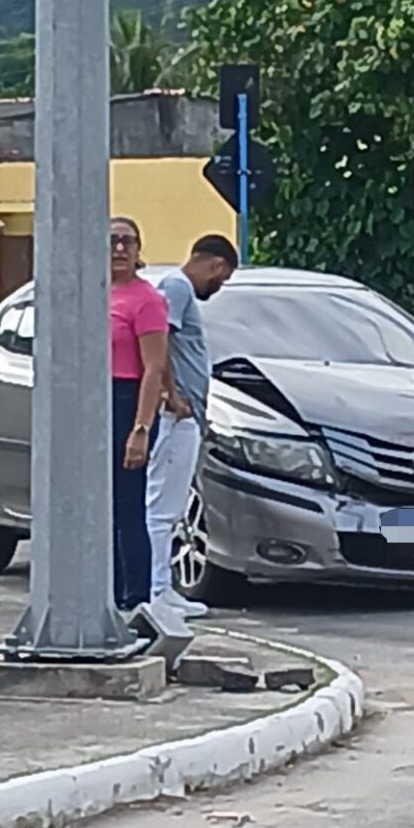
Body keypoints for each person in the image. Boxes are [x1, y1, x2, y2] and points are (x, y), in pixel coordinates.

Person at [146, 234, 239, 622]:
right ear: (215, 264)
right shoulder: (178, 288)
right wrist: (171, 394)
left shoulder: (176, 288)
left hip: (186, 414)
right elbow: (159, 341)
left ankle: (161, 587)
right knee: (162, 506)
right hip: (176, 415)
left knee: (170, 505)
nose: (219, 287)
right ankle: (155, 589)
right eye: (223, 277)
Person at [109, 217, 169, 611]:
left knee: (128, 507)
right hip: (95, 401)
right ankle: (108, 596)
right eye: (112, 241)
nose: (119, 249)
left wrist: (141, 428)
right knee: (102, 508)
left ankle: (135, 600)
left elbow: (154, 368)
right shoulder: (95, 293)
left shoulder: (146, 299)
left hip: (128, 400)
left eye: (127, 241)